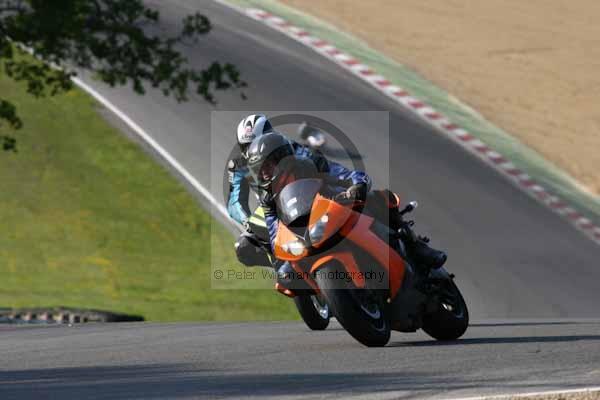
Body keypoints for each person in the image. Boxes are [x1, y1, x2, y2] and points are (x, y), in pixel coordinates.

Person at [245, 132, 447, 271]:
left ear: (281, 158)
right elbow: (274, 230)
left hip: (339, 208)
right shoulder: (268, 197)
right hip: (308, 233)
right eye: (259, 171)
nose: (264, 174)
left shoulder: (310, 164)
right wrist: (280, 251)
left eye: (267, 167)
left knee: (378, 197)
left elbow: (346, 174)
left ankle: (417, 247)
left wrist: (356, 186)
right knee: (289, 271)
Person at [227, 114, 318, 267]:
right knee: (243, 247)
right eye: (245, 146)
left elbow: (314, 163)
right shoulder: (238, 165)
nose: (250, 150)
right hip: (270, 207)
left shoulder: (286, 145)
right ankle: (283, 269)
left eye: (255, 142)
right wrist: (247, 221)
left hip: (305, 194)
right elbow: (234, 201)